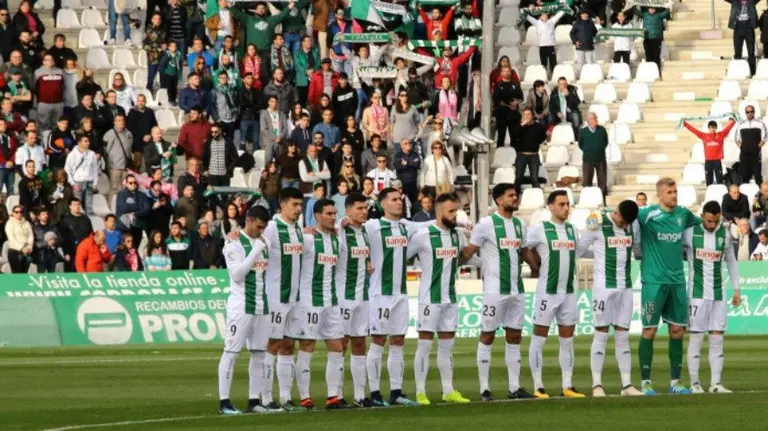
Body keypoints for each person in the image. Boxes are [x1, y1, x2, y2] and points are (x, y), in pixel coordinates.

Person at [461, 184, 535, 401]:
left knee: (514, 336)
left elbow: (523, 251)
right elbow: (469, 251)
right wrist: (451, 256)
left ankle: (514, 388)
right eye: (511, 195)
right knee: (487, 335)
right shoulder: (486, 224)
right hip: (494, 291)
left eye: (516, 195)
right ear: (499, 200)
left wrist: (537, 267)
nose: (515, 198)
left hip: (517, 289)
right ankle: (484, 388)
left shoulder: (521, 224)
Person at [364, 187, 436, 406]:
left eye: (401, 199)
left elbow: (429, 223)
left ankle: (396, 392)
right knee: (378, 341)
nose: (399, 202)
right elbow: (351, 232)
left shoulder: (407, 225)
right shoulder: (373, 226)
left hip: (401, 295)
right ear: (383, 204)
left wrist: (460, 222)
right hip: (380, 294)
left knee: (398, 341)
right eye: (394, 199)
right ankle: (375, 393)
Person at [634, 177, 700, 395]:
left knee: (677, 330)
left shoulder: (684, 214)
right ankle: (645, 382)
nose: (674, 195)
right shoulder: (646, 215)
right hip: (653, 282)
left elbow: (703, 225)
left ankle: (675, 382)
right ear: (659, 195)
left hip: (678, 282)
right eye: (670, 192)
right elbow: (624, 216)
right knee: (649, 330)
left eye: (675, 191)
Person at [408, 193, 474, 405]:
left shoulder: (458, 236)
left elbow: (465, 258)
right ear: (439, 212)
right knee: (425, 345)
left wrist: (492, 264)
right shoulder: (423, 235)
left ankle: (448, 390)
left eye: (456, 210)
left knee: (447, 346)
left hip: (451, 297)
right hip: (430, 298)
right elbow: (403, 257)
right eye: (451, 211)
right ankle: (420, 392)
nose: (455, 215)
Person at [575, 200, 645, 396]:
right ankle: (597, 384)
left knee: (623, 334)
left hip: (626, 288)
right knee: (601, 333)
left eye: (627, 223)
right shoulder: (597, 224)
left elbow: (637, 250)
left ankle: (627, 385)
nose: (624, 225)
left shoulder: (633, 225)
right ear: (616, 213)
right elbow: (579, 250)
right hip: (603, 288)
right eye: (622, 221)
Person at [216, 206, 276, 414]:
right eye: (259, 226)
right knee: (231, 351)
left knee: (259, 353)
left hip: (262, 305)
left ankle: (254, 401)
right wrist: (256, 250)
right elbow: (237, 275)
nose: (261, 231)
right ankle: (224, 402)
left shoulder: (265, 241)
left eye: (264, 227)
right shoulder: (233, 243)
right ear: (248, 220)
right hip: (241, 306)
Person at [525, 190, 583, 399]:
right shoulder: (540, 230)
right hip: (546, 293)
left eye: (568, 204)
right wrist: (534, 265)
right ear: (550, 206)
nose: (566, 208)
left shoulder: (572, 230)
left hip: (568, 293)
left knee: (567, 340)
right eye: (561, 204)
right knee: (539, 339)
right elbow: (525, 247)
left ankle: (567, 385)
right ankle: (538, 385)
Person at [290, 199, 346, 409]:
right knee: (307, 346)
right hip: (309, 301)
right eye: (329, 214)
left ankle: (333, 396)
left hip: (331, 301)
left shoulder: (337, 241)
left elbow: (336, 270)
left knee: (337, 346)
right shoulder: (307, 239)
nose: (333, 218)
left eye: (335, 214)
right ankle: (305, 396)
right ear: (317, 215)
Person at [682, 201, 741, 394]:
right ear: (702, 217)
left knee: (717, 337)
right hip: (697, 294)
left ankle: (716, 384)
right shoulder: (690, 233)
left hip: (718, 293)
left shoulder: (724, 235)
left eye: (715, 221)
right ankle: (695, 383)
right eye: (708, 221)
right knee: (697, 337)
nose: (711, 225)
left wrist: (737, 289)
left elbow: (731, 261)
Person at [260, 187, 305, 410]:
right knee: (272, 345)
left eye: (300, 205)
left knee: (288, 345)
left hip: (294, 298)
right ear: (282, 205)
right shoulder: (271, 228)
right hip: (275, 296)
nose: (298, 209)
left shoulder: (297, 229)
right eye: (294, 205)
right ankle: (266, 398)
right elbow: (252, 242)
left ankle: (286, 398)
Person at [682, 117, 736, 186]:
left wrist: (733, 122)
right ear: (708, 128)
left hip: (717, 161)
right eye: (710, 127)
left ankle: (719, 193)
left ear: (716, 128)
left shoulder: (720, 135)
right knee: (709, 181)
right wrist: (685, 124)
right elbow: (694, 130)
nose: (712, 129)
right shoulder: (704, 136)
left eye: (713, 127)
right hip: (708, 162)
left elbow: (728, 129)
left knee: (719, 181)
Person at [64, 135, 99, 216]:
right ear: (79, 142)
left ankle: (89, 224)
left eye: (88, 141)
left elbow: (95, 169)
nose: (88, 143)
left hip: (89, 182)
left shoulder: (92, 153)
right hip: (77, 182)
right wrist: (73, 183)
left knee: (89, 206)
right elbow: (67, 169)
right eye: (86, 141)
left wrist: (95, 183)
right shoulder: (72, 154)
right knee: (77, 206)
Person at [515, 109, 546, 195]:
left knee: (534, 178)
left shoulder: (538, 126)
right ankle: (514, 199)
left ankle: (538, 197)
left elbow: (543, 137)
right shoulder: (519, 126)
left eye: (528, 114)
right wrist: (522, 125)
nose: (527, 116)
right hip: (522, 155)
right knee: (518, 178)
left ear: (532, 116)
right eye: (525, 114)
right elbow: (514, 136)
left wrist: (535, 143)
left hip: (534, 155)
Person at [579, 112, 609, 200]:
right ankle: (587, 199)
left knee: (602, 181)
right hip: (588, 159)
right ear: (589, 121)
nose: (596, 120)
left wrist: (599, 149)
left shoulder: (602, 129)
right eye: (594, 118)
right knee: (587, 181)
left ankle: (603, 199)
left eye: (596, 118)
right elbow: (581, 144)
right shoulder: (583, 131)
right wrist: (588, 151)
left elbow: (605, 142)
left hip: (601, 159)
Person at [734, 105, 766, 184]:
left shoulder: (760, 124)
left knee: (758, 177)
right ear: (745, 113)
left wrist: (757, 147)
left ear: (754, 112)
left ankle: (760, 195)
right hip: (744, 156)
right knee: (744, 177)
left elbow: (764, 138)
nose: (750, 113)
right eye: (747, 112)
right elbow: (736, 139)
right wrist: (742, 147)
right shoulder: (741, 125)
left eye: (751, 111)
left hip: (756, 155)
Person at [526, 9, 565, 74]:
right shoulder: (537, 23)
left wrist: (564, 8)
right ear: (540, 17)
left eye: (546, 15)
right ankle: (544, 77)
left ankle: (553, 77)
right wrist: (526, 10)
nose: (544, 16)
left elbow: (559, 15)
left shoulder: (552, 21)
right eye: (543, 15)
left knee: (553, 63)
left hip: (551, 46)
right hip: (542, 47)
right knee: (543, 64)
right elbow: (527, 17)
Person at [116, 174, 150, 248]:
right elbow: (123, 208)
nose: (133, 184)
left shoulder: (142, 195)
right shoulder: (121, 194)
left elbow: (146, 210)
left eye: (135, 182)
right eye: (131, 183)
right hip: (124, 228)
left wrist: (134, 213)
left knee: (134, 250)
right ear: (126, 183)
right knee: (124, 250)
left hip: (137, 227)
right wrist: (139, 206)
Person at [492, 66, 523, 148]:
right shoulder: (498, 85)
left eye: (508, 71)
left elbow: (521, 97)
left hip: (513, 115)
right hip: (501, 114)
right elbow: (496, 99)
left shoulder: (515, 84)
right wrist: (509, 105)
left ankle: (515, 157)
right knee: (501, 137)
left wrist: (516, 102)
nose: (507, 72)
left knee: (514, 137)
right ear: (501, 73)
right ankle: (499, 156)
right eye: (505, 71)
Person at [726, 0, 759, 76]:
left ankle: (753, 72)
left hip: (749, 29)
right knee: (737, 52)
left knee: (751, 52)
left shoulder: (752, 1)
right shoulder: (734, 1)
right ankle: (738, 72)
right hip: (737, 29)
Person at [126, 94, 158, 171]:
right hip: (137, 142)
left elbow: (154, 125)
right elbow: (130, 128)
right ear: (136, 102)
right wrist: (142, 137)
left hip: (149, 142)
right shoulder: (132, 112)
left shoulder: (150, 112)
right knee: (137, 164)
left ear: (145, 102)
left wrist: (150, 135)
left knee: (150, 163)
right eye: (139, 101)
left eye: (142, 101)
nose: (140, 103)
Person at [634, 6, 670, 74]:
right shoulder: (644, 14)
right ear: (648, 9)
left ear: (655, 9)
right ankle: (650, 73)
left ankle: (657, 72)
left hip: (657, 39)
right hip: (647, 39)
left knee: (656, 56)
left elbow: (666, 13)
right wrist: (633, 5)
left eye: (653, 8)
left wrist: (669, 6)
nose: (652, 10)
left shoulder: (659, 15)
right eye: (650, 8)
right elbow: (636, 11)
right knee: (648, 56)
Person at [34, 54, 64, 132]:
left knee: (57, 124)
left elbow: (64, 86)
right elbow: (34, 87)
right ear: (43, 62)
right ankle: (44, 142)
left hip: (58, 103)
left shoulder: (60, 71)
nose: (50, 61)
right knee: (43, 124)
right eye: (47, 60)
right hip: (44, 103)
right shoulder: (38, 72)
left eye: (51, 59)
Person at [5, 204, 33, 273]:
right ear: (13, 213)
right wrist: (21, 248)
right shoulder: (9, 223)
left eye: (21, 212)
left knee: (25, 273)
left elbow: (30, 236)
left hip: (26, 251)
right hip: (15, 252)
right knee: (17, 274)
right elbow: (11, 238)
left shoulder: (26, 223)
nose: (19, 213)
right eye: (16, 212)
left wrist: (29, 247)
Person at [261, 95, 289, 163]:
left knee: (280, 161)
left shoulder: (282, 114)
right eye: (272, 102)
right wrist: (274, 138)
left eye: (276, 102)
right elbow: (264, 129)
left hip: (280, 141)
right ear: (269, 102)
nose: (274, 104)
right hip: (269, 142)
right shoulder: (264, 114)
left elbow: (285, 128)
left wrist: (280, 137)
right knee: (269, 162)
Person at [570, 9, 598, 74]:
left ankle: (589, 76)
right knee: (580, 63)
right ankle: (578, 77)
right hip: (580, 46)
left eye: (586, 14)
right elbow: (571, 33)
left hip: (589, 46)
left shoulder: (591, 23)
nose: (585, 15)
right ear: (580, 15)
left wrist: (595, 40)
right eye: (583, 14)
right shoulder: (577, 23)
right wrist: (575, 41)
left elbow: (595, 33)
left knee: (590, 62)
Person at [394, 139, 421, 204]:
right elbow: (398, 167)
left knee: (414, 203)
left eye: (409, 143)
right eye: (405, 143)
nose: (408, 144)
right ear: (401, 146)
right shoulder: (398, 155)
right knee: (403, 203)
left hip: (413, 184)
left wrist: (406, 164)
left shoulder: (415, 154)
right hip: (402, 184)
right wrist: (411, 164)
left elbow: (417, 164)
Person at [0, 118, 16, 195]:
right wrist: (4, 162)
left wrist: (11, 161)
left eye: (4, 124)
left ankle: (10, 207)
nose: (3, 126)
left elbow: (15, 151)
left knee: (11, 189)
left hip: (10, 167)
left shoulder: (10, 137)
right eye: (0, 124)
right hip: (1, 167)